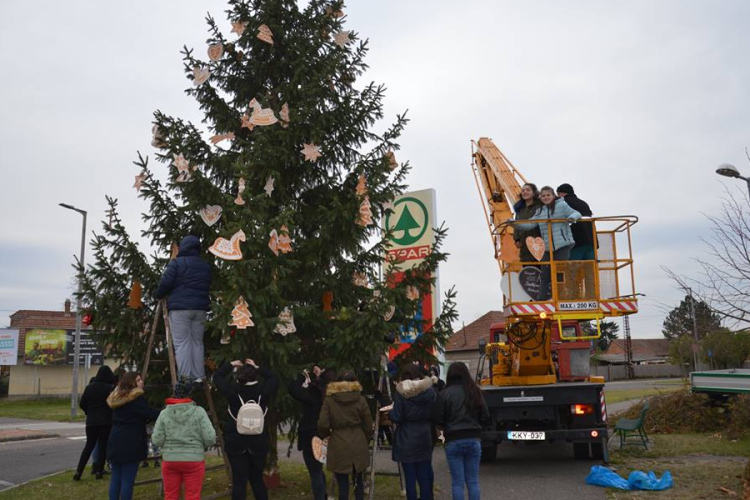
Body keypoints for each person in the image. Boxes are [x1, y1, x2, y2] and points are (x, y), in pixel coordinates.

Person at [213, 358, 279, 500]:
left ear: (239, 377)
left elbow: (217, 376)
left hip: (236, 441)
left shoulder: (232, 390)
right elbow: (273, 377)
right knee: (257, 480)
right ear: (256, 376)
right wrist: (257, 366)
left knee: (239, 482)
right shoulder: (263, 390)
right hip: (258, 441)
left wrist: (230, 365)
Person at [155, 235, 212, 383]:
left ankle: (185, 378)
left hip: (180, 309)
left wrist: (159, 295)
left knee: (182, 343)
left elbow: (165, 282)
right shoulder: (205, 266)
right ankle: (199, 376)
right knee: (197, 343)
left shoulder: (177, 264)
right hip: (200, 309)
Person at [151, 378, 216, 500]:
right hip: (194, 459)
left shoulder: (164, 413)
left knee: (170, 495)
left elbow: (157, 440)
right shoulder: (199, 412)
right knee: (192, 496)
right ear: (190, 393)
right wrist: (200, 445)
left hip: (170, 459)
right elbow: (210, 438)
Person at [432, 363, 490, 500]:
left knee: (457, 483)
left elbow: (438, 418)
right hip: (473, 438)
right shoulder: (475, 391)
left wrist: (445, 426)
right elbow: (486, 416)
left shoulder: (444, 394)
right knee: (473, 481)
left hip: (453, 439)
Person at [515, 186, 581, 300]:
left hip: (563, 245)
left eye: (548, 195)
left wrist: (571, 218)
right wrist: (515, 224)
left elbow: (576, 213)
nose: (546, 197)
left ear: (553, 195)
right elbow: (530, 224)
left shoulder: (562, 205)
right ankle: (541, 300)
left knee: (560, 272)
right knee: (545, 274)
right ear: (540, 197)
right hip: (547, 247)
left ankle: (565, 297)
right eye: (543, 196)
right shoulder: (540, 211)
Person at [318, 370, 373, 500]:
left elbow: (323, 424)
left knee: (342, 486)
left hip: (338, 442)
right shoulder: (360, 399)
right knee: (358, 482)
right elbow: (368, 424)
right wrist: (364, 439)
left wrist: (327, 436)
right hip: (358, 441)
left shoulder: (330, 400)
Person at [106, 372, 161, 500]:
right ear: (132, 383)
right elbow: (149, 414)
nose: (142, 382)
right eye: (138, 380)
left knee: (116, 478)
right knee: (127, 480)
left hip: (115, 439)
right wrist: (165, 410)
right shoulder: (136, 398)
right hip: (130, 441)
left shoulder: (116, 398)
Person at [390, 364, 438, 500]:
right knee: (424, 476)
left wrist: (390, 413)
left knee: (410, 478)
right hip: (424, 434)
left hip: (406, 436)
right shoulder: (429, 391)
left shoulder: (401, 393)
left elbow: (396, 417)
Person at [288, 366, 336, 500]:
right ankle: (323, 495)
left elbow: (293, 389)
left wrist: (302, 376)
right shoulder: (333, 395)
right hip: (326, 433)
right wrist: (319, 377)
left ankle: (320, 497)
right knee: (318, 468)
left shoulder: (312, 394)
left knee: (314, 472)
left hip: (310, 434)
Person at [74, 365, 116, 481]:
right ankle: (99, 471)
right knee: (102, 446)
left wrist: (89, 412)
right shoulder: (110, 388)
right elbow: (113, 404)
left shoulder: (89, 387)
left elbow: (82, 403)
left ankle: (79, 471)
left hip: (91, 422)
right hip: (106, 421)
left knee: (89, 446)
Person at [556, 183, 595, 260]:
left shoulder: (564, 203)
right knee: (590, 269)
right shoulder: (583, 203)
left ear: (562, 193)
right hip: (591, 240)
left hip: (576, 241)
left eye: (558, 194)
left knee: (573, 269)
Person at [513, 183, 542, 263]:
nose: (525, 192)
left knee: (540, 264)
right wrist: (516, 239)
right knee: (527, 266)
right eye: (523, 191)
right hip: (523, 242)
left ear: (534, 193)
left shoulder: (540, 206)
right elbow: (516, 224)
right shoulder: (519, 209)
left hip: (538, 240)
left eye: (528, 190)